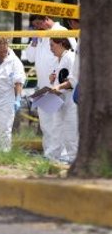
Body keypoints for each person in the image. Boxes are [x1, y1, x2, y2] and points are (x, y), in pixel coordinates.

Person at [25, 14, 76, 160]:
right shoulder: (40, 35)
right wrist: (34, 41)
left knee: (59, 124)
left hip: (60, 89)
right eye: (35, 25)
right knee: (46, 125)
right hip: (44, 87)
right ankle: (50, 155)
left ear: (47, 19)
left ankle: (65, 156)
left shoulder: (61, 31)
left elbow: (72, 52)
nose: (38, 27)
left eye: (40, 23)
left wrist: (61, 79)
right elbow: (30, 57)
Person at [47, 37, 78, 163]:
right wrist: (52, 80)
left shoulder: (70, 58)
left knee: (70, 132)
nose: (50, 49)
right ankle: (52, 157)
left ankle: (74, 159)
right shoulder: (58, 60)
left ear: (61, 44)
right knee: (56, 130)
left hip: (70, 100)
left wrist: (59, 86)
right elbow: (60, 78)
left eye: (52, 45)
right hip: (59, 100)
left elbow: (73, 80)